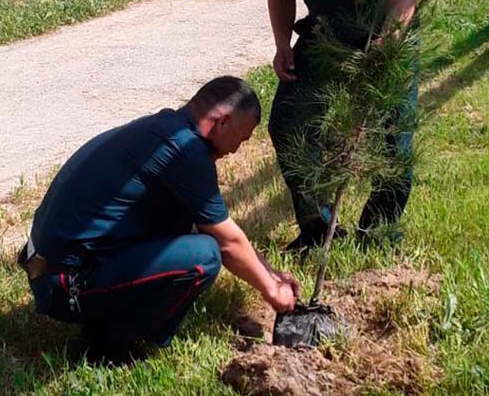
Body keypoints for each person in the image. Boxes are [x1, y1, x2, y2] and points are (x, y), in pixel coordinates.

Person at [18, 76, 300, 360]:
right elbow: (227, 243)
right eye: (241, 139)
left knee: (186, 223)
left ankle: (108, 315)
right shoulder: (185, 151)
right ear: (222, 121)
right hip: (64, 287)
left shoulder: (167, 130)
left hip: (49, 268)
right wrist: (272, 291)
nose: (236, 150)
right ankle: (108, 342)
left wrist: (272, 274)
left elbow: (219, 226)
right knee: (204, 256)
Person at [253, 0, 420, 253]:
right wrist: (281, 44)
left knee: (392, 140)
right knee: (288, 121)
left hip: (385, 31)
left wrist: (388, 39)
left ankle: (375, 232)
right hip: (327, 31)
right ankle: (318, 229)